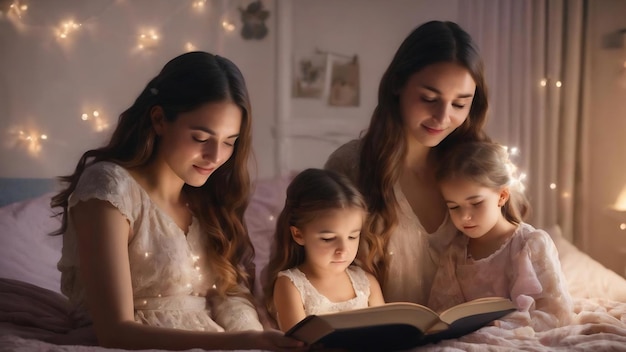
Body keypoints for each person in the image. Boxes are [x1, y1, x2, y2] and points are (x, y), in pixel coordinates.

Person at [50, 51, 305, 351]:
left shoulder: (209, 200)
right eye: (200, 138)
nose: (215, 157)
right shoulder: (110, 187)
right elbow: (114, 332)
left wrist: (256, 343)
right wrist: (238, 341)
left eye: (229, 142)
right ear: (159, 119)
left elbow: (230, 296)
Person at [324, 20, 489, 305]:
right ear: (398, 84)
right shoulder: (350, 167)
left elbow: (512, 249)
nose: (442, 117)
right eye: (429, 98)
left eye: (460, 104)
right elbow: (315, 274)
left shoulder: (481, 169)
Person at [427, 141, 573, 331]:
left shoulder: (529, 244)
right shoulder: (454, 254)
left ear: (502, 195)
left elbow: (556, 312)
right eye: (454, 207)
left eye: (476, 203)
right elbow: (441, 310)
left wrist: (503, 327)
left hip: (520, 334)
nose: (464, 217)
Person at [263, 168, 385, 332]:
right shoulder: (290, 286)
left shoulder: (367, 283)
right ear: (298, 234)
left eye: (352, 237)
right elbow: (298, 346)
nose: (343, 250)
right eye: (328, 239)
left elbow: (384, 336)